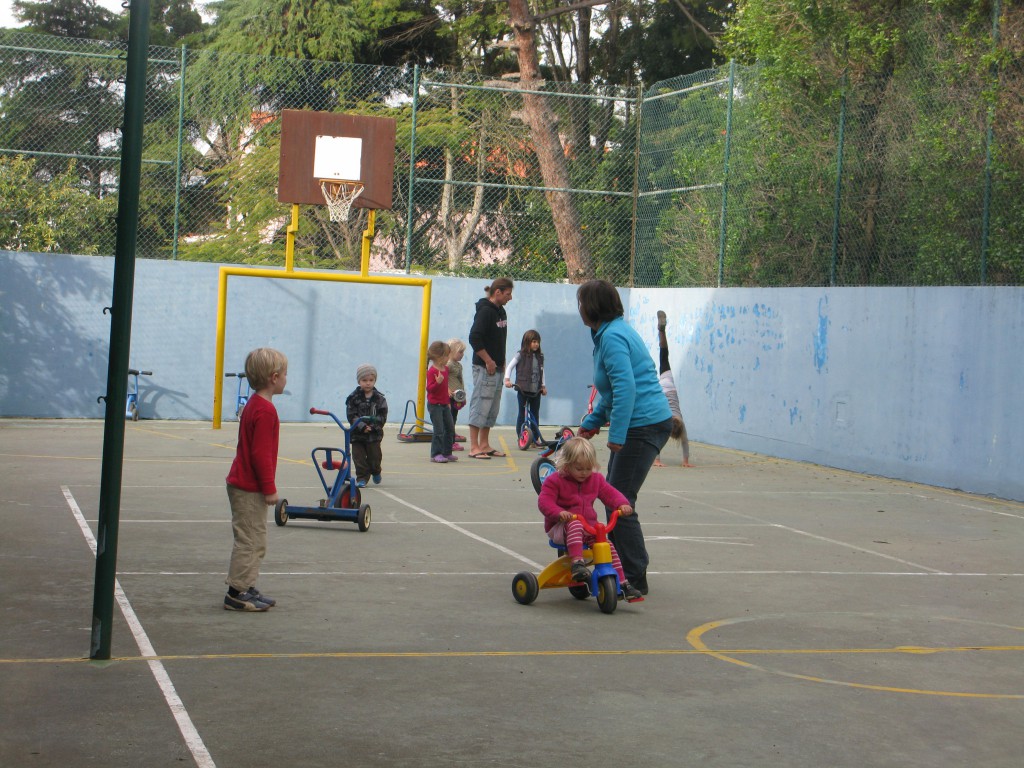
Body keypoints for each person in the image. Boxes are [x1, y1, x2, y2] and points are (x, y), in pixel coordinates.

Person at [577, 279, 672, 596]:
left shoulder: (614, 336)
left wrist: (615, 434)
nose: (579, 309)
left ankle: (633, 574)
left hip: (642, 425)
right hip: (638, 423)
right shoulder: (608, 334)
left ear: (592, 307)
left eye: (581, 303)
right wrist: (593, 421)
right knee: (613, 498)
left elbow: (627, 389)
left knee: (619, 502)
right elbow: (612, 390)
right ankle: (619, 569)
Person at [537, 437, 644, 603]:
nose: (584, 473)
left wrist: (622, 504)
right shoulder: (555, 481)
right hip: (560, 527)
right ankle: (577, 564)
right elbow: (544, 502)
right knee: (575, 523)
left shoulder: (595, 479)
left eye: (588, 468)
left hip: (588, 528)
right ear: (567, 464)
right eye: (579, 468)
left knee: (607, 546)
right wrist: (559, 512)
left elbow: (610, 493)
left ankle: (622, 583)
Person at [223, 347, 287, 612]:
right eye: (284, 374)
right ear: (274, 377)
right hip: (248, 487)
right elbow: (261, 454)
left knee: (254, 539)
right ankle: (236, 592)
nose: (286, 379)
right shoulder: (264, 410)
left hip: (245, 484)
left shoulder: (255, 405)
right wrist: (269, 489)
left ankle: (245, 585)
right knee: (250, 540)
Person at [467, 277, 513, 459]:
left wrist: (501, 360)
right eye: (508, 294)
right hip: (485, 368)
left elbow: (499, 339)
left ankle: (484, 444)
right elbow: (474, 338)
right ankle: (474, 447)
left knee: (491, 407)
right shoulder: (485, 312)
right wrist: (488, 361)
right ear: (498, 292)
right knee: (480, 403)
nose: (510, 298)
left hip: (498, 368)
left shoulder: (501, 312)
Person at [652, 310, 692, 468]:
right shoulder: (666, 421)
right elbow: (685, 444)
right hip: (658, 392)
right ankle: (661, 330)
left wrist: (656, 460)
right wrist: (685, 461)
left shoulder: (677, 421)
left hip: (669, 387)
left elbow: (658, 440)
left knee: (664, 355)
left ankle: (661, 331)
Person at [345, 363, 388, 487]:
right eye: (364, 380)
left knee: (374, 457)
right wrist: (362, 426)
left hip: (373, 435)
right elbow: (351, 415)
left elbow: (382, 416)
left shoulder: (380, 399)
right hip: (357, 434)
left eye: (371, 380)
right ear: (359, 381)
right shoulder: (353, 398)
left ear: (374, 381)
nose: (368, 383)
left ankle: (376, 471)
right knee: (358, 457)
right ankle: (362, 478)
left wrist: (373, 427)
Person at [504, 329, 547, 447]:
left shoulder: (540, 357)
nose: (536, 344)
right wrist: (507, 379)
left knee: (535, 413)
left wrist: (543, 386)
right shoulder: (520, 355)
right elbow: (510, 367)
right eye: (533, 341)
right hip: (523, 388)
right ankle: (521, 437)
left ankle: (535, 439)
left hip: (536, 390)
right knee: (522, 414)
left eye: (537, 342)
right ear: (527, 342)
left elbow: (542, 372)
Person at [426, 340, 457, 463]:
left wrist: (448, 400)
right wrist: (437, 382)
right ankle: (436, 454)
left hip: (444, 404)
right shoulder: (432, 371)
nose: (448, 358)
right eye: (447, 355)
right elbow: (429, 389)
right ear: (439, 357)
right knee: (439, 430)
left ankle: (447, 452)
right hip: (435, 405)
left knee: (450, 428)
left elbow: (445, 386)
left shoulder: (445, 369)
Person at [446, 338, 467, 451]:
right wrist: (447, 389)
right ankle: (448, 442)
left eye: (463, 352)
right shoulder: (448, 364)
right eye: (460, 352)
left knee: (453, 419)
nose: (462, 355)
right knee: (449, 420)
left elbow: (460, 380)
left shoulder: (458, 365)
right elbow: (443, 377)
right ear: (451, 352)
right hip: (449, 397)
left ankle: (452, 441)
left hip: (457, 397)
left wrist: (463, 395)